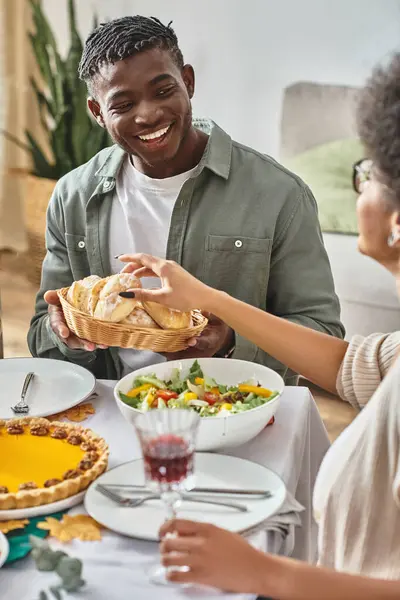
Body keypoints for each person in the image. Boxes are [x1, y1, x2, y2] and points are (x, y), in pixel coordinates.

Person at [115, 54, 400, 598]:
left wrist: (268, 574)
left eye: (368, 174)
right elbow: (347, 365)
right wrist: (206, 297)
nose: (360, 184)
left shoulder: (276, 190)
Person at [27, 16, 343, 381]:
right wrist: (64, 332)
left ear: (188, 82)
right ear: (97, 113)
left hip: (232, 409)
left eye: (163, 91)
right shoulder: (72, 197)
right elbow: (41, 336)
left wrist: (229, 340)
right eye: (123, 105)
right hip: (115, 411)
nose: (148, 114)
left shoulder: (279, 194)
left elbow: (324, 334)